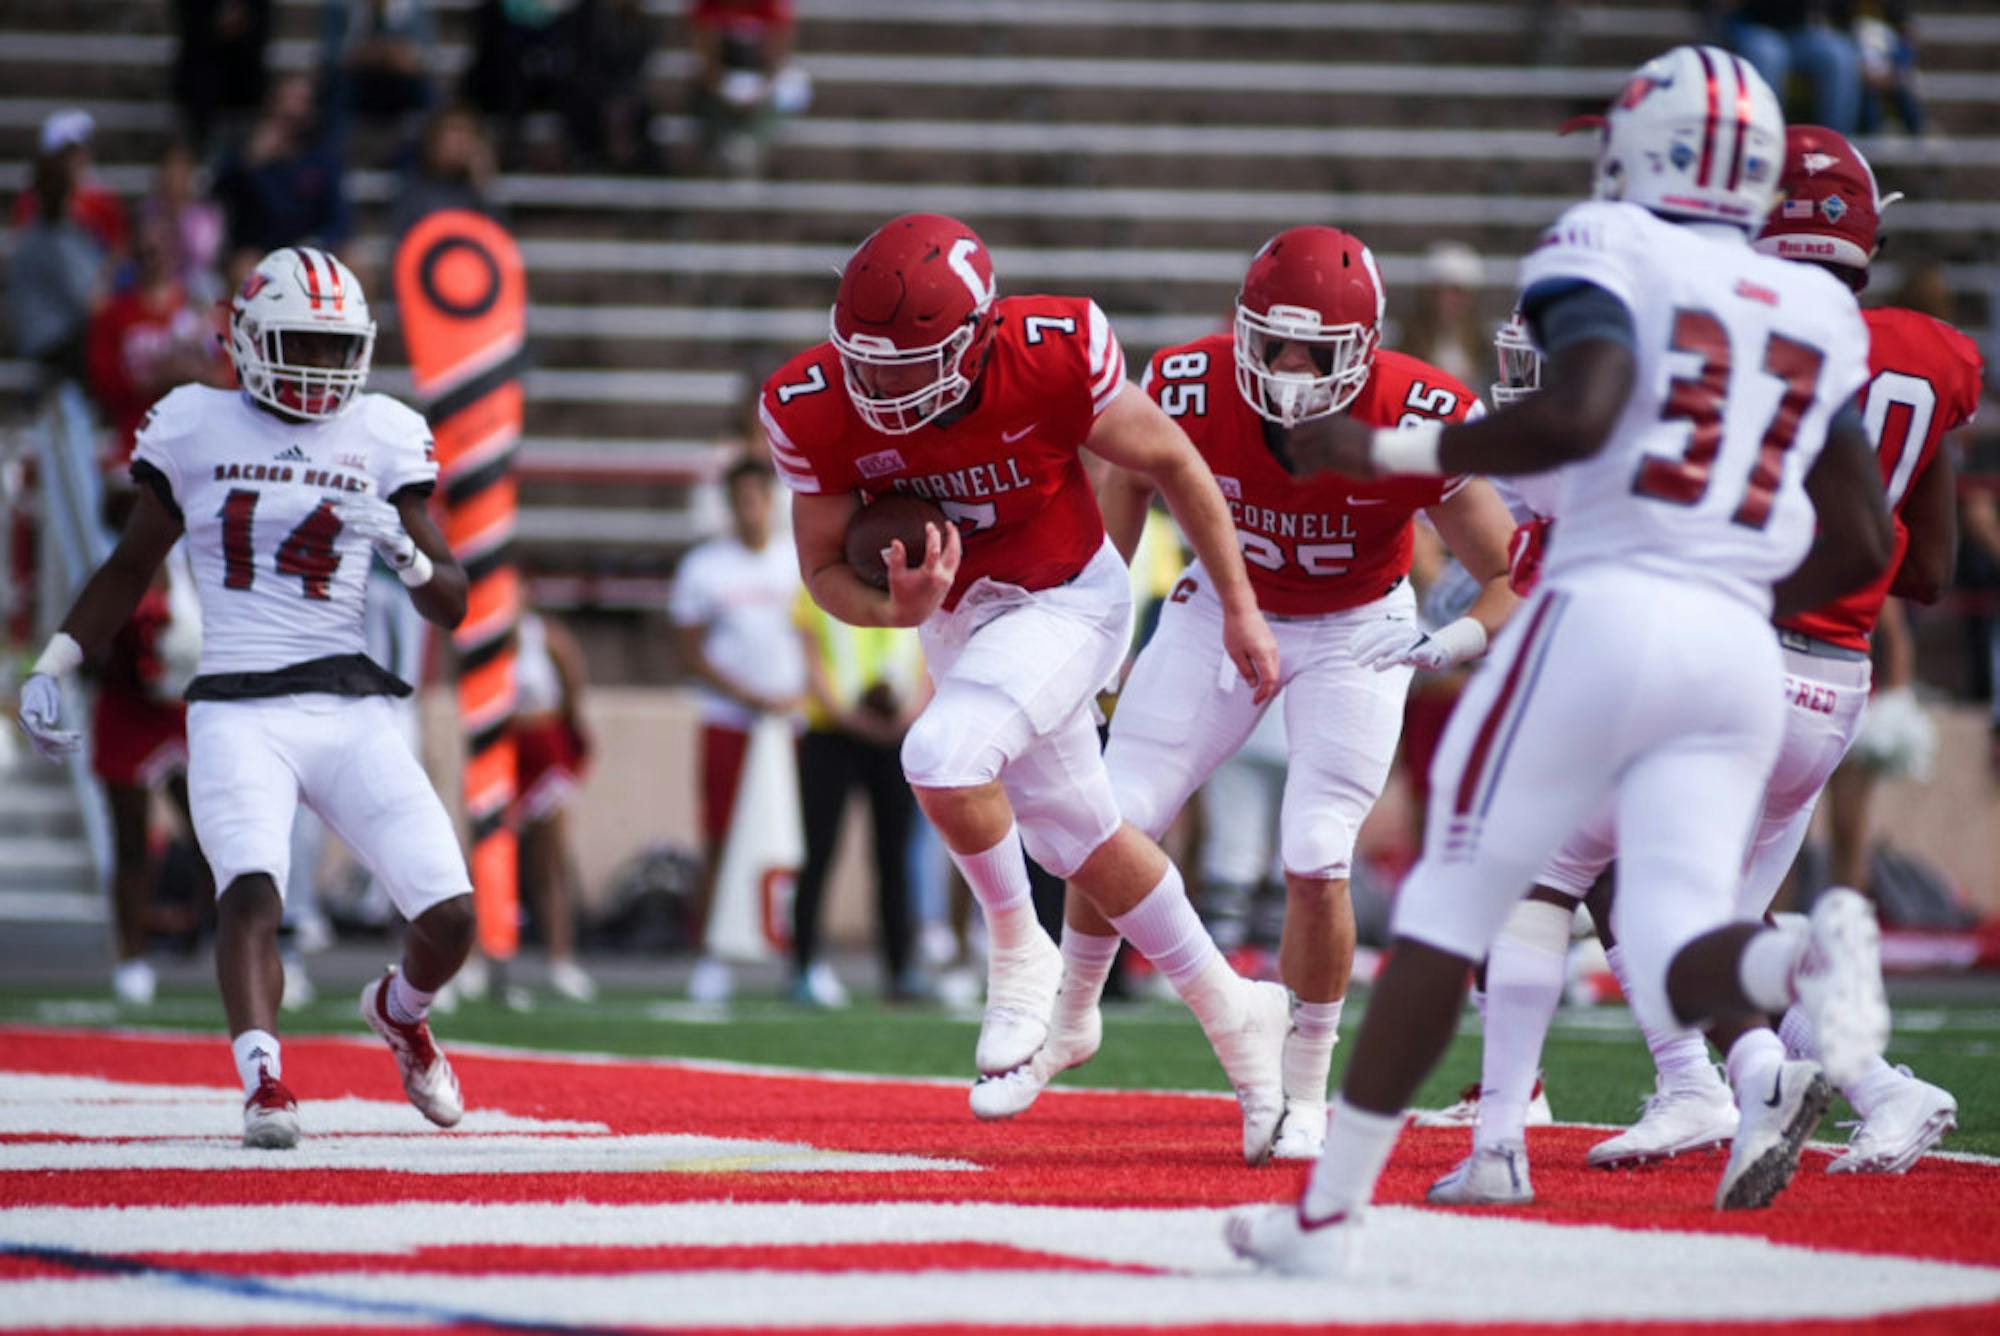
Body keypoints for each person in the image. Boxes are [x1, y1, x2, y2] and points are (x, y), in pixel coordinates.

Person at [1227, 48, 1895, 1270]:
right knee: (1674, 929)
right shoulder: (1812, 309)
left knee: (1445, 915)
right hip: (1736, 646)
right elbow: (1862, 537)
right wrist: (1731, 571)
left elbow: (1580, 407)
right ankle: (1796, 955)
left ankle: (1324, 1216)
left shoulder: (1605, 246)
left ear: (1638, 151)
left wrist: (1376, 455)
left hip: (1605, 613)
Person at [1437, 125, 1972, 1197]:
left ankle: (1513, 1139)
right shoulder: (1927, 354)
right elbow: (1926, 569)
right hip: (1832, 687)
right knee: (1694, 913)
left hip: (1719, 655)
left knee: (1527, 865)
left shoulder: (1737, 336)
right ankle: (1838, 1086)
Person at [972, 226, 1523, 1160]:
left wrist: (1454, 636)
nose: (1292, 371)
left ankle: (1306, 1087)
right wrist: (1098, 621)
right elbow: (1124, 478)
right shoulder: (1193, 380)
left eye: (1320, 353)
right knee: (1113, 814)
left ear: (1370, 347)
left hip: (1357, 627)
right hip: (1222, 608)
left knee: (1316, 852)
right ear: (1242, 330)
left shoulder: (1418, 408)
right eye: (1272, 344)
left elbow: (1513, 573)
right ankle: (1072, 1013)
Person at [765, 211, 1291, 1161]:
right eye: (863, 362)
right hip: (959, 622)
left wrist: (1243, 605)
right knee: (1082, 837)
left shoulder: (1052, 352)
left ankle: (1020, 953)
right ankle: (1239, 1015)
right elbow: (820, 570)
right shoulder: (810, 401)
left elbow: (1174, 458)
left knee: (941, 754)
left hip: (1068, 600)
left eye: (902, 365)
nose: (876, 386)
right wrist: (902, 607)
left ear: (974, 341)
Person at [16, 246, 477, 1151]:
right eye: (301, 342)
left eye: (337, 346)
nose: (321, 366)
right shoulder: (195, 423)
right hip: (236, 704)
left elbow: (451, 601)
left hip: (347, 705)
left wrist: (407, 551)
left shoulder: (382, 431)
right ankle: (266, 1083)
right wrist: (55, 660)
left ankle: (399, 1012)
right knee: (251, 895)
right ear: (249, 338)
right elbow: (130, 564)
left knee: (452, 917)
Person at [668, 456, 807, 1003]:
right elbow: (689, 649)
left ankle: (802, 958)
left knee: (800, 840)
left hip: (791, 720)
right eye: (741, 498)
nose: (751, 509)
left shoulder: (796, 561)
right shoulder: (705, 568)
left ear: (771, 501)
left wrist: (803, 694)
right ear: (729, 504)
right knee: (719, 836)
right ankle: (710, 957)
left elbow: (819, 638)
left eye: (758, 497)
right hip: (730, 719)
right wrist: (742, 693)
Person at [791, 590, 929, 1006]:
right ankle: (803, 966)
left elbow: (932, 657)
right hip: (831, 733)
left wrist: (909, 713)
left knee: (893, 856)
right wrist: (849, 717)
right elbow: (810, 659)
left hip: (896, 733)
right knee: (819, 852)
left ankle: (901, 968)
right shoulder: (817, 585)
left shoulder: (921, 583)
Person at [87, 217, 231, 466]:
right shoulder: (114, 315)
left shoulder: (200, 311)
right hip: (137, 438)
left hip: (198, 440)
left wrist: (192, 375)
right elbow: (104, 382)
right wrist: (158, 378)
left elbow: (230, 377)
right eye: (144, 252)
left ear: (174, 252)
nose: (152, 260)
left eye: (159, 250)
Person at [513, 606, 597, 1002]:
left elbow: (573, 686)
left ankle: (560, 957)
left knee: (551, 859)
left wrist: (570, 744)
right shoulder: (479, 640)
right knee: (489, 855)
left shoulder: (544, 636)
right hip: (505, 752)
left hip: (543, 748)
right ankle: (480, 959)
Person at [213, 74, 352, 258]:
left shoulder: (321, 157)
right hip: (259, 249)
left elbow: (339, 218)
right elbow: (217, 193)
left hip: (310, 248)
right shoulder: (246, 149)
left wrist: (317, 242)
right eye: (288, 100)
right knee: (243, 265)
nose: (294, 110)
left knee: (353, 260)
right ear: (272, 103)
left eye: (302, 101)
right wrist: (250, 161)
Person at [6, 150, 106, 385]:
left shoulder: (72, 231)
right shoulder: (43, 241)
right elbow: (91, 303)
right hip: (51, 343)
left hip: (69, 335)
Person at [688, 0, 810, 176]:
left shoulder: (773, 6)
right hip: (724, 79)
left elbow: (780, 54)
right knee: (701, 83)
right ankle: (722, 144)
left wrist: (761, 92)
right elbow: (705, 52)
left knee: (791, 89)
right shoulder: (709, 5)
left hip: (762, 80)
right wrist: (721, 88)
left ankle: (756, 144)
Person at [11, 111, 130, 259]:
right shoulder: (29, 200)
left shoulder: (106, 200)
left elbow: (118, 249)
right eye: (68, 153)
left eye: (80, 150)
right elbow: (24, 246)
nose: (78, 158)